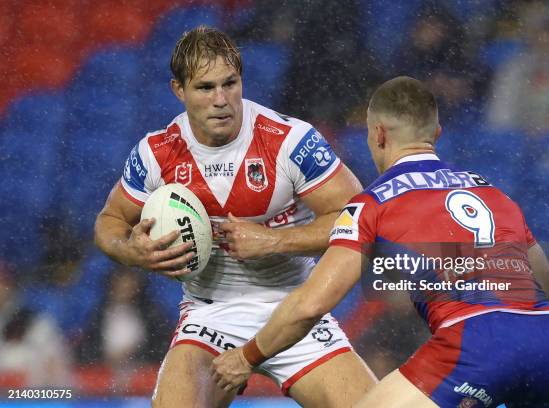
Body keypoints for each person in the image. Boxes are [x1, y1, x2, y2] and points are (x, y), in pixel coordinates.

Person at [211, 76, 549, 407]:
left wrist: (246, 357)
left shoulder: (373, 203)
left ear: (379, 135)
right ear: (436, 134)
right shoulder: (495, 194)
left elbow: (310, 305)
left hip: (476, 342)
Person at [93, 26, 375, 407]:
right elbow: (110, 221)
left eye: (230, 83)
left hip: (294, 312)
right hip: (211, 316)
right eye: (205, 88)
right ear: (179, 90)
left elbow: (360, 218)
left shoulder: (290, 140)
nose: (221, 99)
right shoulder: (156, 153)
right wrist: (131, 251)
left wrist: (275, 240)